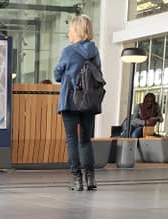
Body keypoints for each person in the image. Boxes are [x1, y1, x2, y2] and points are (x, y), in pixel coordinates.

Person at [54, 14, 101, 191]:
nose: (68, 33)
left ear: (77, 31)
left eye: (70, 29)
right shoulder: (95, 51)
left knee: (72, 140)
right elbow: (98, 74)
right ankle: (90, 179)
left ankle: (77, 180)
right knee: (86, 140)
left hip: (70, 101)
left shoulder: (68, 51)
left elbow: (57, 74)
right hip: (89, 101)